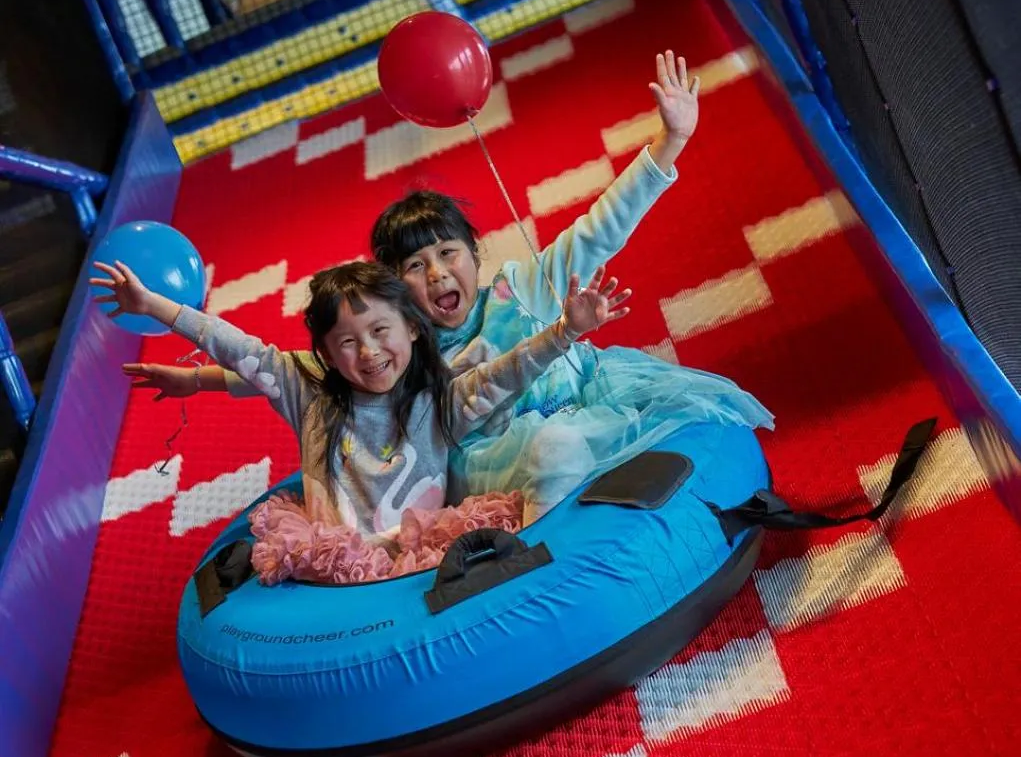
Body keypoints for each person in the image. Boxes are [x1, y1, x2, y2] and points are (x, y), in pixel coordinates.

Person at [126, 51, 772, 519]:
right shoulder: (404, 343)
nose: (437, 274)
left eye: (447, 253)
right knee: (552, 451)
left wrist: (668, 141)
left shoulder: (522, 289)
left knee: (619, 428)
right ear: (398, 289)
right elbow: (304, 368)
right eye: (415, 266)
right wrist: (200, 380)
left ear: (474, 254)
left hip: (590, 400)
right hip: (494, 450)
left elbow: (600, 228)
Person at [94, 256, 627, 539]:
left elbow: (507, 374)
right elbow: (237, 348)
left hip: (427, 551)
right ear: (325, 354)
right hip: (339, 563)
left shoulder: (438, 401)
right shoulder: (310, 397)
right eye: (347, 343)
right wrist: (154, 305)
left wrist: (565, 331)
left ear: (414, 330)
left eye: (380, 332)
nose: (369, 353)